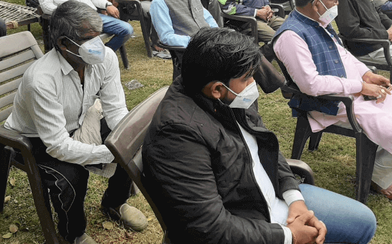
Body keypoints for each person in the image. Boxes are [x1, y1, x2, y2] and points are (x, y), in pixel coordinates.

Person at [142, 27, 377, 244]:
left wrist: (295, 199)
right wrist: (289, 236)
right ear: (217, 89)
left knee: (364, 222)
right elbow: (209, 227)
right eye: (247, 78)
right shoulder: (178, 135)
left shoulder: (226, 93)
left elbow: (264, 146)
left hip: (269, 198)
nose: (253, 84)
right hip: (249, 223)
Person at [273, 0, 392, 212]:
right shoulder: (291, 36)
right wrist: (360, 86)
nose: (336, 3)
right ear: (316, 3)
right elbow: (311, 85)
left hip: (354, 93)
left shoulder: (320, 22)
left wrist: (366, 74)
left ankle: (376, 169)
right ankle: (377, 180)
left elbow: (344, 55)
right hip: (334, 105)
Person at [4, 0, 148, 244]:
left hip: (78, 122)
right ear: (63, 43)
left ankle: (114, 203)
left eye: (99, 35)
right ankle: (74, 234)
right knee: (72, 176)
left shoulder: (105, 59)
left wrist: (123, 143)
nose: (98, 45)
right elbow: (57, 145)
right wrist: (107, 153)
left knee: (129, 140)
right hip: (33, 138)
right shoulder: (41, 80)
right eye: (88, 39)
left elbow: (115, 109)